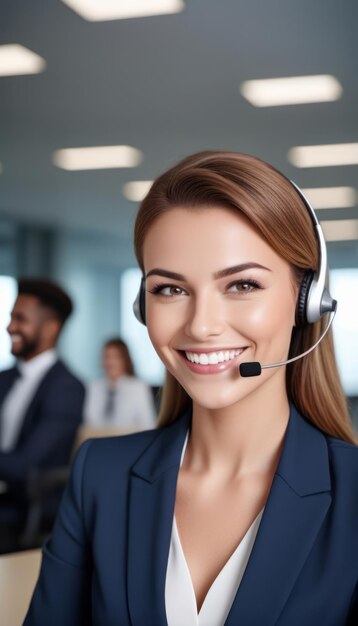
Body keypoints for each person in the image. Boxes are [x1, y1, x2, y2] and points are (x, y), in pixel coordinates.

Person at [25, 152, 357, 625]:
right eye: (170, 290)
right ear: (143, 304)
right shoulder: (100, 476)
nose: (201, 327)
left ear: (308, 300)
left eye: (242, 285)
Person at [0, 278, 85, 549]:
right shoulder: (4, 379)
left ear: (50, 329)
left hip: (23, 511)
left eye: (20, 319)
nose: (9, 327)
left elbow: (29, 465)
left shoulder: (67, 388)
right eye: (11, 317)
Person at [83, 337, 155, 429]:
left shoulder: (138, 388)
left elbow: (148, 424)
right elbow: (87, 422)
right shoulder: (92, 387)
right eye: (107, 357)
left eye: (115, 357)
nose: (110, 362)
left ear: (125, 359)